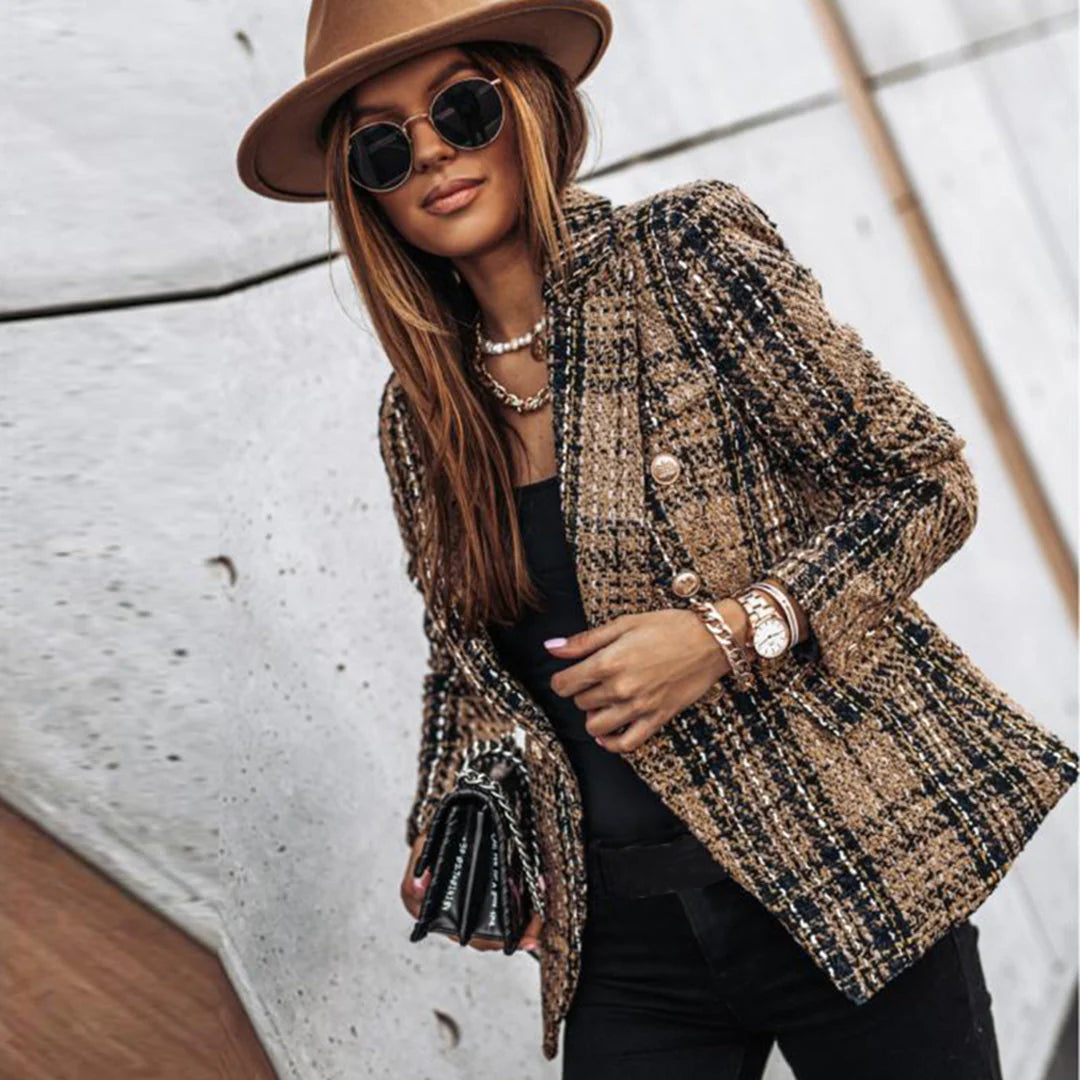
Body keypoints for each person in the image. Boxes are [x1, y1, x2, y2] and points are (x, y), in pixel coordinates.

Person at [235, 2, 1078, 1076]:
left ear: (527, 102)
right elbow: (465, 664)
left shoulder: (679, 259)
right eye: (384, 147)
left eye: (461, 106)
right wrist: (447, 819)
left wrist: (730, 633)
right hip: (626, 942)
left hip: (837, 863)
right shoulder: (420, 416)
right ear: (367, 196)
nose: (433, 152)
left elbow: (926, 482)